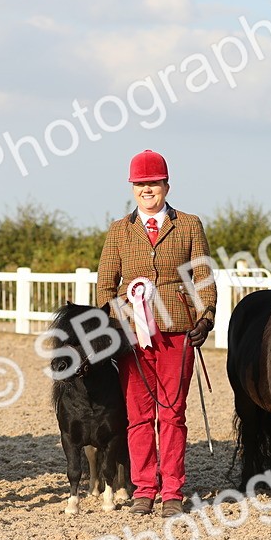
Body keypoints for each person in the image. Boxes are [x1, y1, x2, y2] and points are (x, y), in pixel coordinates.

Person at [96, 150, 216, 518]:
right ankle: (144, 488)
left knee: (173, 413)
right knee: (138, 415)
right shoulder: (119, 230)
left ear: (166, 185)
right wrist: (114, 324)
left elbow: (203, 275)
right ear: (132, 188)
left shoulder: (189, 225)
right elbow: (105, 284)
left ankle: (173, 490)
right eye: (140, 184)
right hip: (132, 336)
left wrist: (206, 316)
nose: (147, 189)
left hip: (176, 332)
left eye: (154, 183)